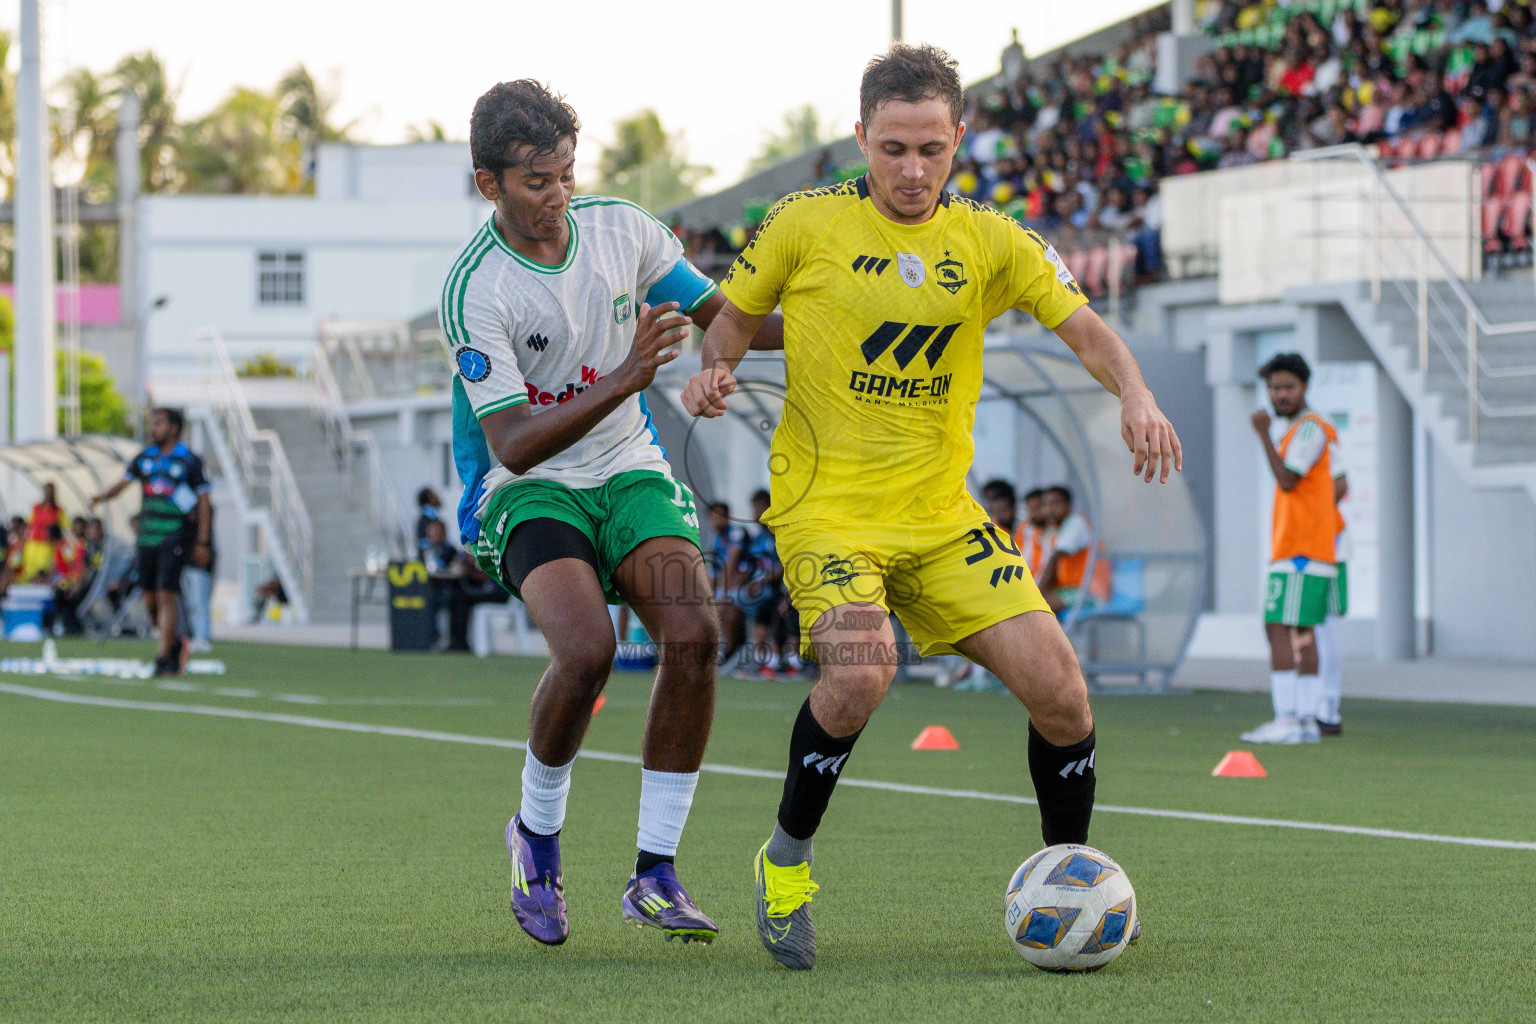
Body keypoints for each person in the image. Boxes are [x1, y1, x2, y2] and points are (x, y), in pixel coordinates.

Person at [682, 43, 1180, 969]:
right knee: (863, 670)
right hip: (826, 507)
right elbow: (738, 312)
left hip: (942, 515)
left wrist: (1136, 394)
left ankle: (1067, 879)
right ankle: (784, 865)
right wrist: (716, 368)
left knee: (1063, 695)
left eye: (931, 150)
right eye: (893, 149)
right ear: (860, 136)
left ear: (960, 138)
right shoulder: (802, 221)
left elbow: (1086, 328)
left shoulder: (995, 241)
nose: (912, 172)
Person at [441, 79, 783, 947]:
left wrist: (849, 319)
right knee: (588, 650)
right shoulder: (475, 290)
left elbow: (725, 317)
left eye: (564, 174)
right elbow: (515, 443)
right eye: (534, 181)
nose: (556, 197)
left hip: (627, 467)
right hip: (530, 487)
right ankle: (538, 841)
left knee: (697, 634)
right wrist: (628, 377)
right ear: (490, 184)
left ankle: (655, 873)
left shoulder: (623, 228)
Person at [1241, 353, 1339, 745]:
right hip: (1298, 545)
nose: (1280, 395)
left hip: (1302, 547)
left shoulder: (1310, 428)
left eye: (1288, 387)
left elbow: (1287, 480)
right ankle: (1303, 721)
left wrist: (1263, 434)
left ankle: (1291, 719)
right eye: (1274, 388)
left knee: (1283, 627)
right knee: (1297, 630)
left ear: (1305, 387)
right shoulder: (1300, 428)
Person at [90, 408, 213, 677]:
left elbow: (204, 502)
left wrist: (203, 540)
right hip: (147, 537)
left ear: (174, 428)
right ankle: (175, 643)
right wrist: (102, 497)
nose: (153, 428)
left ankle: (162, 658)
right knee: (150, 599)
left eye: (158, 424)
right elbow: (122, 483)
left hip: (175, 536)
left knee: (166, 593)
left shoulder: (190, 461)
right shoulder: (145, 458)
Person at [731, 489, 787, 678]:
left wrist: (762, 581)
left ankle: (772, 662)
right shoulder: (757, 538)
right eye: (754, 508)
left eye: (760, 507)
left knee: (768, 611)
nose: (756, 512)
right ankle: (757, 659)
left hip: (775, 589)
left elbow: (784, 563)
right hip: (758, 589)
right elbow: (749, 565)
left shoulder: (778, 534)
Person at [706, 501, 749, 663]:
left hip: (746, 584)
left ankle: (729, 651)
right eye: (713, 516)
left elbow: (731, 566)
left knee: (725, 605)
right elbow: (714, 573)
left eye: (720, 515)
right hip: (728, 586)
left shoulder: (736, 533)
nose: (716, 519)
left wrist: (720, 595)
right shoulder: (717, 539)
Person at [182, 507, 215, 653]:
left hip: (199, 565)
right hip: (185, 562)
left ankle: (203, 637)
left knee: (200, 602)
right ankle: (194, 635)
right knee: (190, 603)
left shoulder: (204, 509)